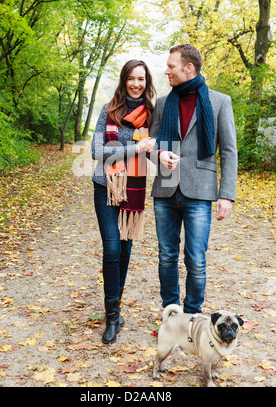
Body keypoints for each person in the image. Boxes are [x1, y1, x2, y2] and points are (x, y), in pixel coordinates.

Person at [148, 44, 238, 314]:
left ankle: (192, 315)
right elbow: (150, 144)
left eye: (171, 66)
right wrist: (159, 154)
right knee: (166, 257)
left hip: (200, 190)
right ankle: (170, 314)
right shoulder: (163, 103)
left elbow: (230, 150)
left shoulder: (220, 101)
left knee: (196, 260)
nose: (166, 71)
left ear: (189, 68)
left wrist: (227, 194)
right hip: (165, 188)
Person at [91, 59, 156, 343]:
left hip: (133, 191)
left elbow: (155, 150)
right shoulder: (109, 110)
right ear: (123, 80)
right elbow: (97, 150)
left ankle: (114, 311)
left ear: (147, 82)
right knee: (112, 249)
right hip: (105, 187)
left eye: (141, 79)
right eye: (131, 78)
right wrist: (134, 148)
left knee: (126, 252)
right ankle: (112, 317)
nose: (135, 84)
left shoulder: (152, 115)